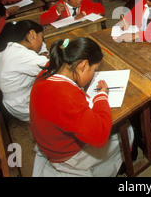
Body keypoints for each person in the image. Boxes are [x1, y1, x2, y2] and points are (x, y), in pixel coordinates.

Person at [30, 37, 133, 177]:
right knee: (127, 131)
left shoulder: (48, 71)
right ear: (83, 65)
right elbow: (99, 137)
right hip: (67, 155)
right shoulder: (67, 96)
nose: (93, 75)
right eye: (94, 69)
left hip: (50, 144)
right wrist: (101, 97)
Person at [0, 20, 48, 122]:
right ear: (32, 34)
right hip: (22, 106)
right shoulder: (20, 55)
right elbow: (52, 68)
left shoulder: (10, 47)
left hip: (14, 102)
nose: (42, 42)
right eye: (41, 38)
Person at [40, 0, 105, 26]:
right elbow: (42, 20)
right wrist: (57, 12)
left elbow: (100, 8)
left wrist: (83, 13)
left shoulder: (84, 2)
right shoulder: (59, 6)